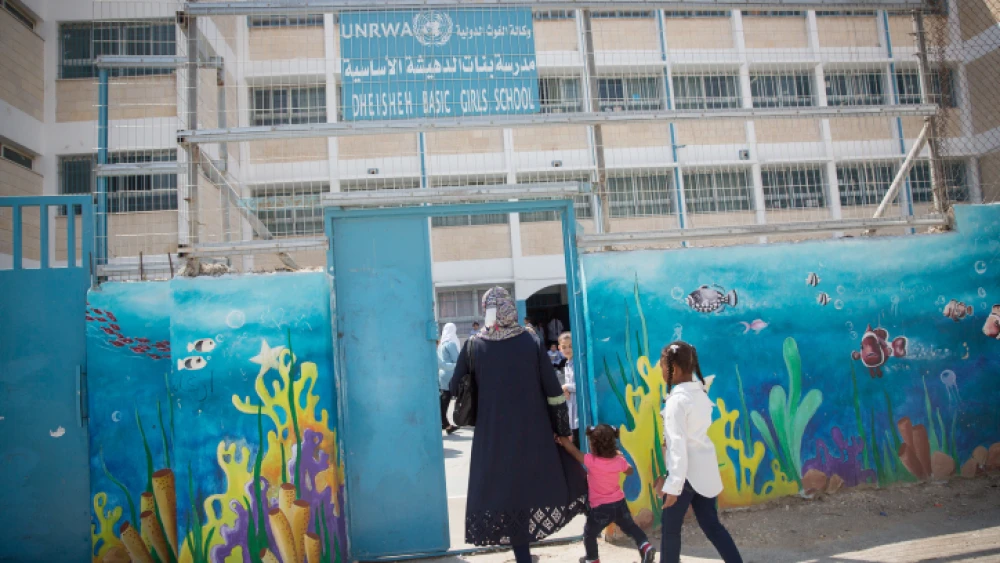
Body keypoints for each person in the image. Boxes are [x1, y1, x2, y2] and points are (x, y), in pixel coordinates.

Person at [450, 287, 587, 563]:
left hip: (493, 436)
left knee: (506, 491)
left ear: (487, 309)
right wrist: (562, 430)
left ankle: (522, 554)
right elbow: (553, 390)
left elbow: (455, 385)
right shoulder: (530, 340)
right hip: (532, 432)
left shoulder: (474, 344)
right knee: (534, 486)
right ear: (510, 307)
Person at [657, 341, 744, 563]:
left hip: (684, 475)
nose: (661, 371)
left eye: (662, 367)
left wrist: (673, 486)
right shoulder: (700, 394)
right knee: (712, 525)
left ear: (673, 369)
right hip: (705, 471)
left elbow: (677, 445)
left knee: (670, 530)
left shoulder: (677, 401)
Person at [557, 425, 656, 563]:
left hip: (600, 508)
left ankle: (592, 559)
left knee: (589, 534)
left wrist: (561, 437)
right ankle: (645, 546)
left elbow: (573, 451)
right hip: (619, 504)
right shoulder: (618, 460)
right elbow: (630, 471)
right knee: (631, 527)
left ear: (594, 445)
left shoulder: (592, 461)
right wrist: (620, 457)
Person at [437, 323, 460, 434]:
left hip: (442, 374)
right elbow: (457, 360)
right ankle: (446, 422)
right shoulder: (451, 344)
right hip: (451, 373)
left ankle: (445, 422)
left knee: (444, 399)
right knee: (447, 399)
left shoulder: (441, 344)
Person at [557, 332, 580, 448]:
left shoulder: (577, 363)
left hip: (579, 410)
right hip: (572, 406)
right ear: (559, 348)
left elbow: (580, 385)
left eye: (570, 346)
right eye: (564, 347)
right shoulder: (567, 364)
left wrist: (566, 387)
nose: (567, 349)